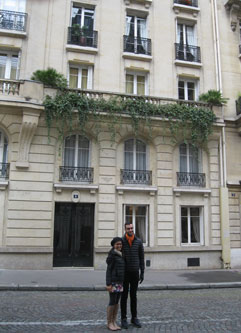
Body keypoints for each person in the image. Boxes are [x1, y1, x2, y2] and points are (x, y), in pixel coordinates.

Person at [121, 222, 145, 329]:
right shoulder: (121, 241)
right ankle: (123, 318)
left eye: (131, 228)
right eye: (128, 228)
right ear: (125, 229)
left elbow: (141, 258)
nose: (130, 230)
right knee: (124, 296)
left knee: (133, 296)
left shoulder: (138, 241)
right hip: (125, 273)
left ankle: (134, 317)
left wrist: (142, 272)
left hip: (135, 272)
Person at [106, 237, 125, 331]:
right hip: (113, 282)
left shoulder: (121, 254)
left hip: (120, 282)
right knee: (112, 301)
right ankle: (109, 322)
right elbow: (108, 270)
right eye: (117, 244)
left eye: (120, 244)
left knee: (117, 302)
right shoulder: (112, 255)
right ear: (113, 245)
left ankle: (114, 321)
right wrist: (108, 283)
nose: (119, 246)